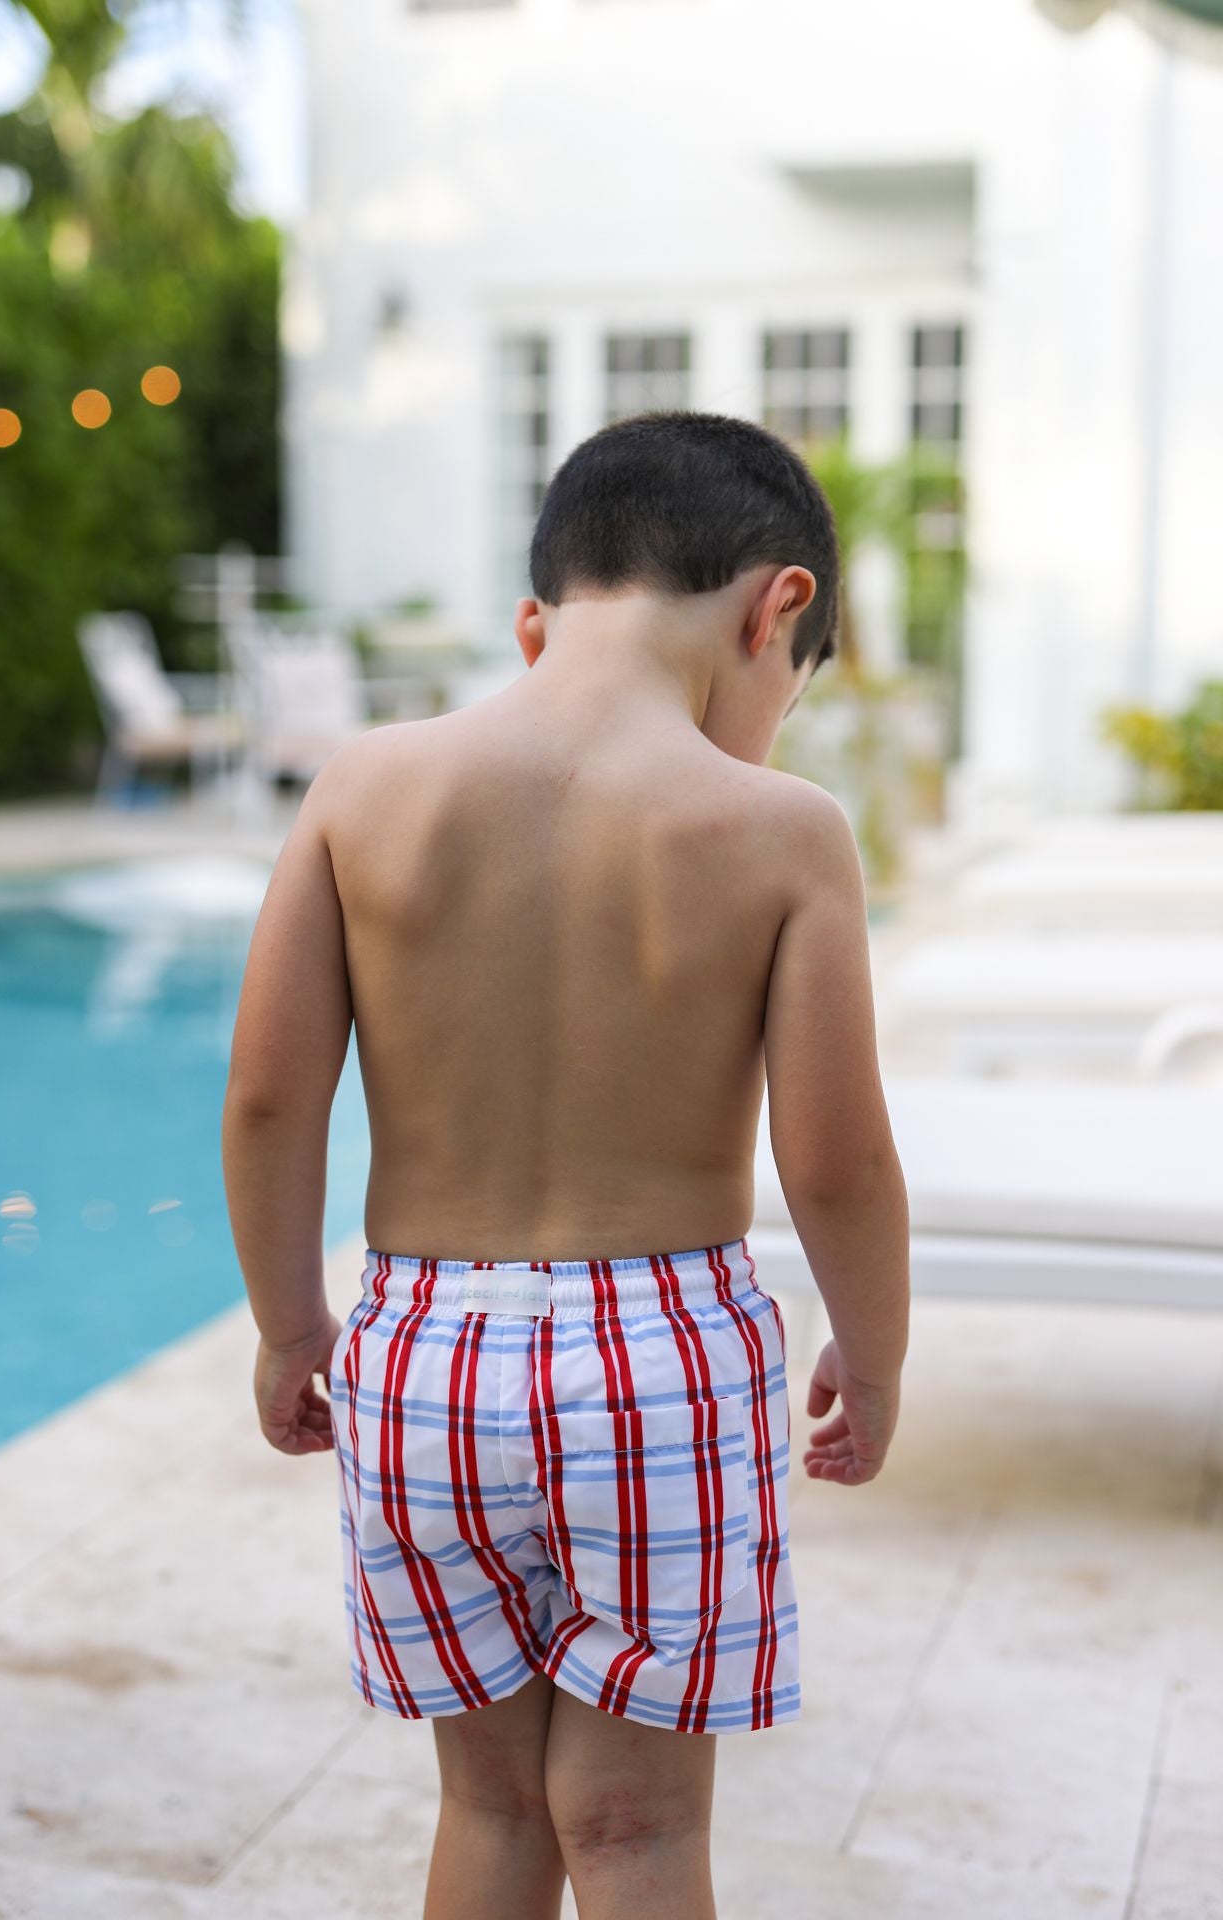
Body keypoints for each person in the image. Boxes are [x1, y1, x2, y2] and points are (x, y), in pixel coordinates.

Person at [221, 409, 911, 1920]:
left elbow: (273, 1096)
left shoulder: (361, 791)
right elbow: (840, 1162)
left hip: (421, 1357)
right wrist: (874, 1352)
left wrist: (289, 1326)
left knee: (489, 1806)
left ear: (541, 622)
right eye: (788, 695)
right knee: (639, 1829)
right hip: (659, 1356)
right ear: (775, 607)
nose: (775, 727)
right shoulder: (781, 831)